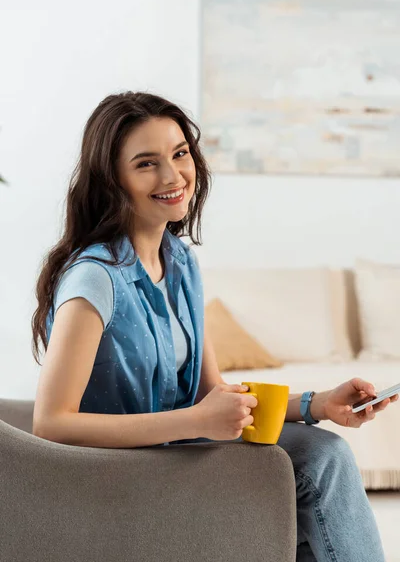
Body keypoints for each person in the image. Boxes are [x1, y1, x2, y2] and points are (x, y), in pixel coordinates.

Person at [32, 91, 398, 562]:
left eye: (180, 153)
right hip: (118, 470)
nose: (172, 176)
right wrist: (196, 421)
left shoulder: (180, 261)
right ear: (111, 180)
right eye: (146, 164)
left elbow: (214, 394)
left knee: (317, 464)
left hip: (177, 448)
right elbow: (50, 424)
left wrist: (318, 403)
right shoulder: (93, 279)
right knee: (316, 463)